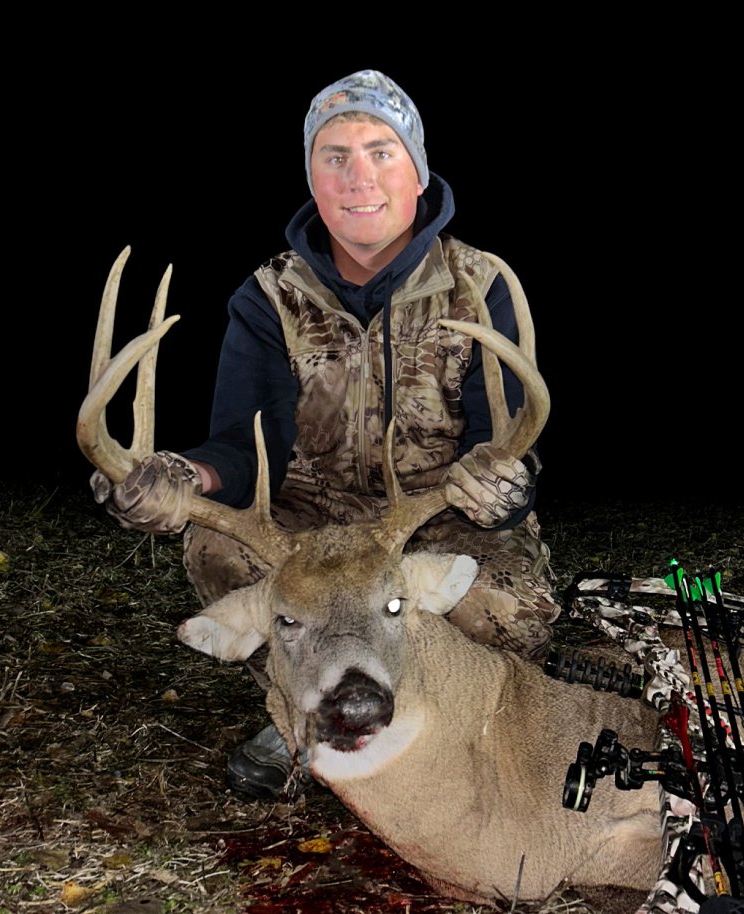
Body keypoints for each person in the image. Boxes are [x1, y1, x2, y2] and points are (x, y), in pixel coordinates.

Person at [92, 69, 558, 801]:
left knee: (507, 611)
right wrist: (184, 475)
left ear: (418, 168)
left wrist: (503, 487)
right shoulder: (268, 297)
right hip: (312, 527)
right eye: (333, 155)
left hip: (432, 524)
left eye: (380, 151)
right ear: (312, 174)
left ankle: (429, 713)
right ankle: (301, 711)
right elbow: (243, 447)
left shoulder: (480, 284)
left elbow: (504, 442)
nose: (358, 176)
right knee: (216, 546)